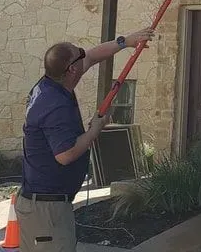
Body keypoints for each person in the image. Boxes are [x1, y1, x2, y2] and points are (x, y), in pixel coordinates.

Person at [16, 28, 154, 252]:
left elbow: (91, 56)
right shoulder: (54, 104)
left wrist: (127, 41)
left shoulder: (51, 83)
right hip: (46, 210)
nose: (84, 54)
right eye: (78, 54)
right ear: (71, 69)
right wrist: (95, 130)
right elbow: (65, 154)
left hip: (44, 204)